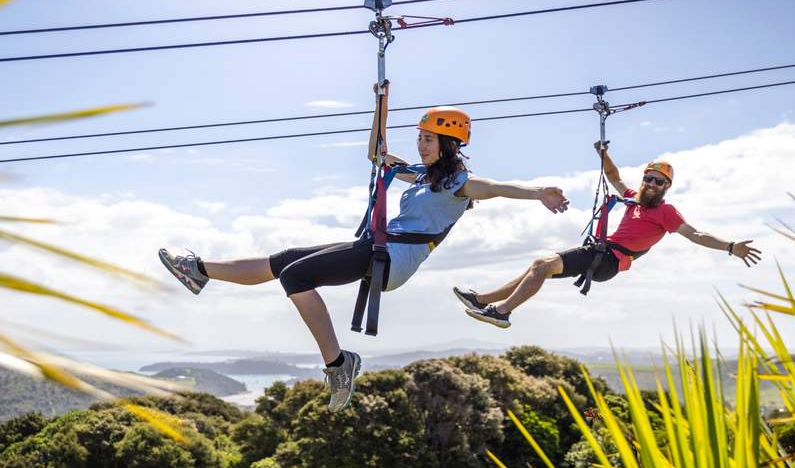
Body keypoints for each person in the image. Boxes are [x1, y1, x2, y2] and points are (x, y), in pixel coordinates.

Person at [159, 83, 570, 412]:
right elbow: (376, 154)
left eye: (430, 140)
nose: (422, 145)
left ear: (449, 144)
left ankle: (339, 365)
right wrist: (381, 105)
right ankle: (200, 271)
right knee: (286, 260)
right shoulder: (421, 176)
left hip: (391, 260)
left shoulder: (459, 182)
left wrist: (538, 192)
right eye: (420, 138)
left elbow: (497, 187)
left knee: (294, 276)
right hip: (377, 248)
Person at [455, 141, 762, 328]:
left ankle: (502, 312)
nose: (652, 184)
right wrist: (603, 154)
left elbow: (695, 234)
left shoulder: (666, 212)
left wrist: (730, 246)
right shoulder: (632, 197)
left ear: (667, 187)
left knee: (541, 265)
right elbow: (613, 177)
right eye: (649, 178)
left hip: (609, 260)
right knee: (537, 269)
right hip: (602, 253)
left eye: (659, 182)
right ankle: (482, 300)